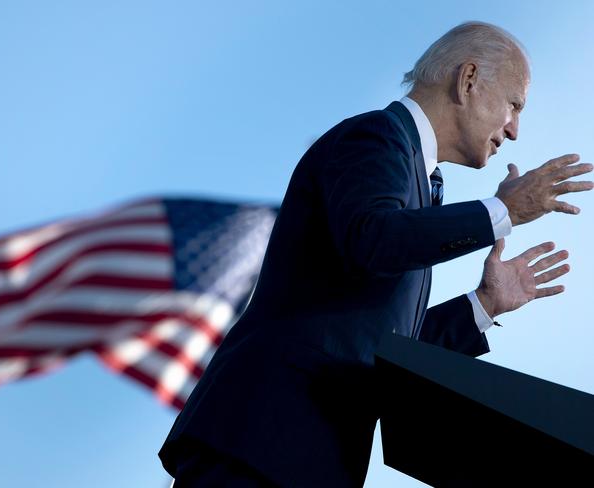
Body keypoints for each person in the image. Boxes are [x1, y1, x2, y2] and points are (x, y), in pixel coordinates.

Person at [159, 21, 593, 487]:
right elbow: (374, 238)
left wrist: (483, 305)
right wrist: (503, 210)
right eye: (514, 105)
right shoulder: (376, 136)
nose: (514, 130)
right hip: (262, 440)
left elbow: (381, 351)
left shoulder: (421, 187)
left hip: (312, 457)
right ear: (468, 79)